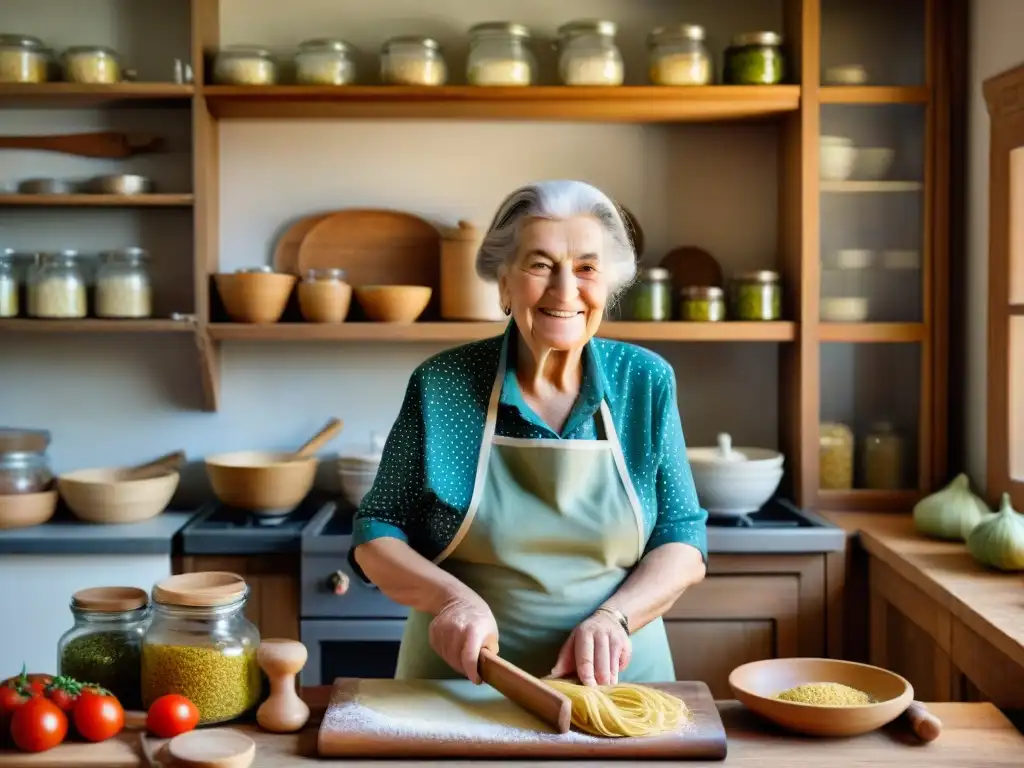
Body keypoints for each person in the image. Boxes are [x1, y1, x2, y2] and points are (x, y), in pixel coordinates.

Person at [350, 179, 708, 688]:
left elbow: (682, 536)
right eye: (540, 266)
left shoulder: (644, 381)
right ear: (503, 283)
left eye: (586, 269)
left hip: (617, 689)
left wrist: (615, 617)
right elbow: (377, 530)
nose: (566, 292)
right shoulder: (442, 385)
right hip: (460, 687)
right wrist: (449, 599)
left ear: (608, 286)